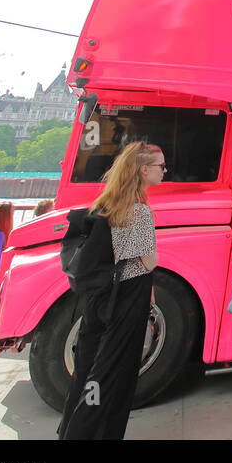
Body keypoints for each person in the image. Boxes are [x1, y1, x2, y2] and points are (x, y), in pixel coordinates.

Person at [58, 142, 163, 440]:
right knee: (113, 376)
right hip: (127, 298)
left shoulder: (105, 204)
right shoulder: (139, 211)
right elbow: (148, 260)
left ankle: (71, 429)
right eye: (161, 166)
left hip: (99, 297)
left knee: (89, 371)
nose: (164, 171)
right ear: (144, 170)